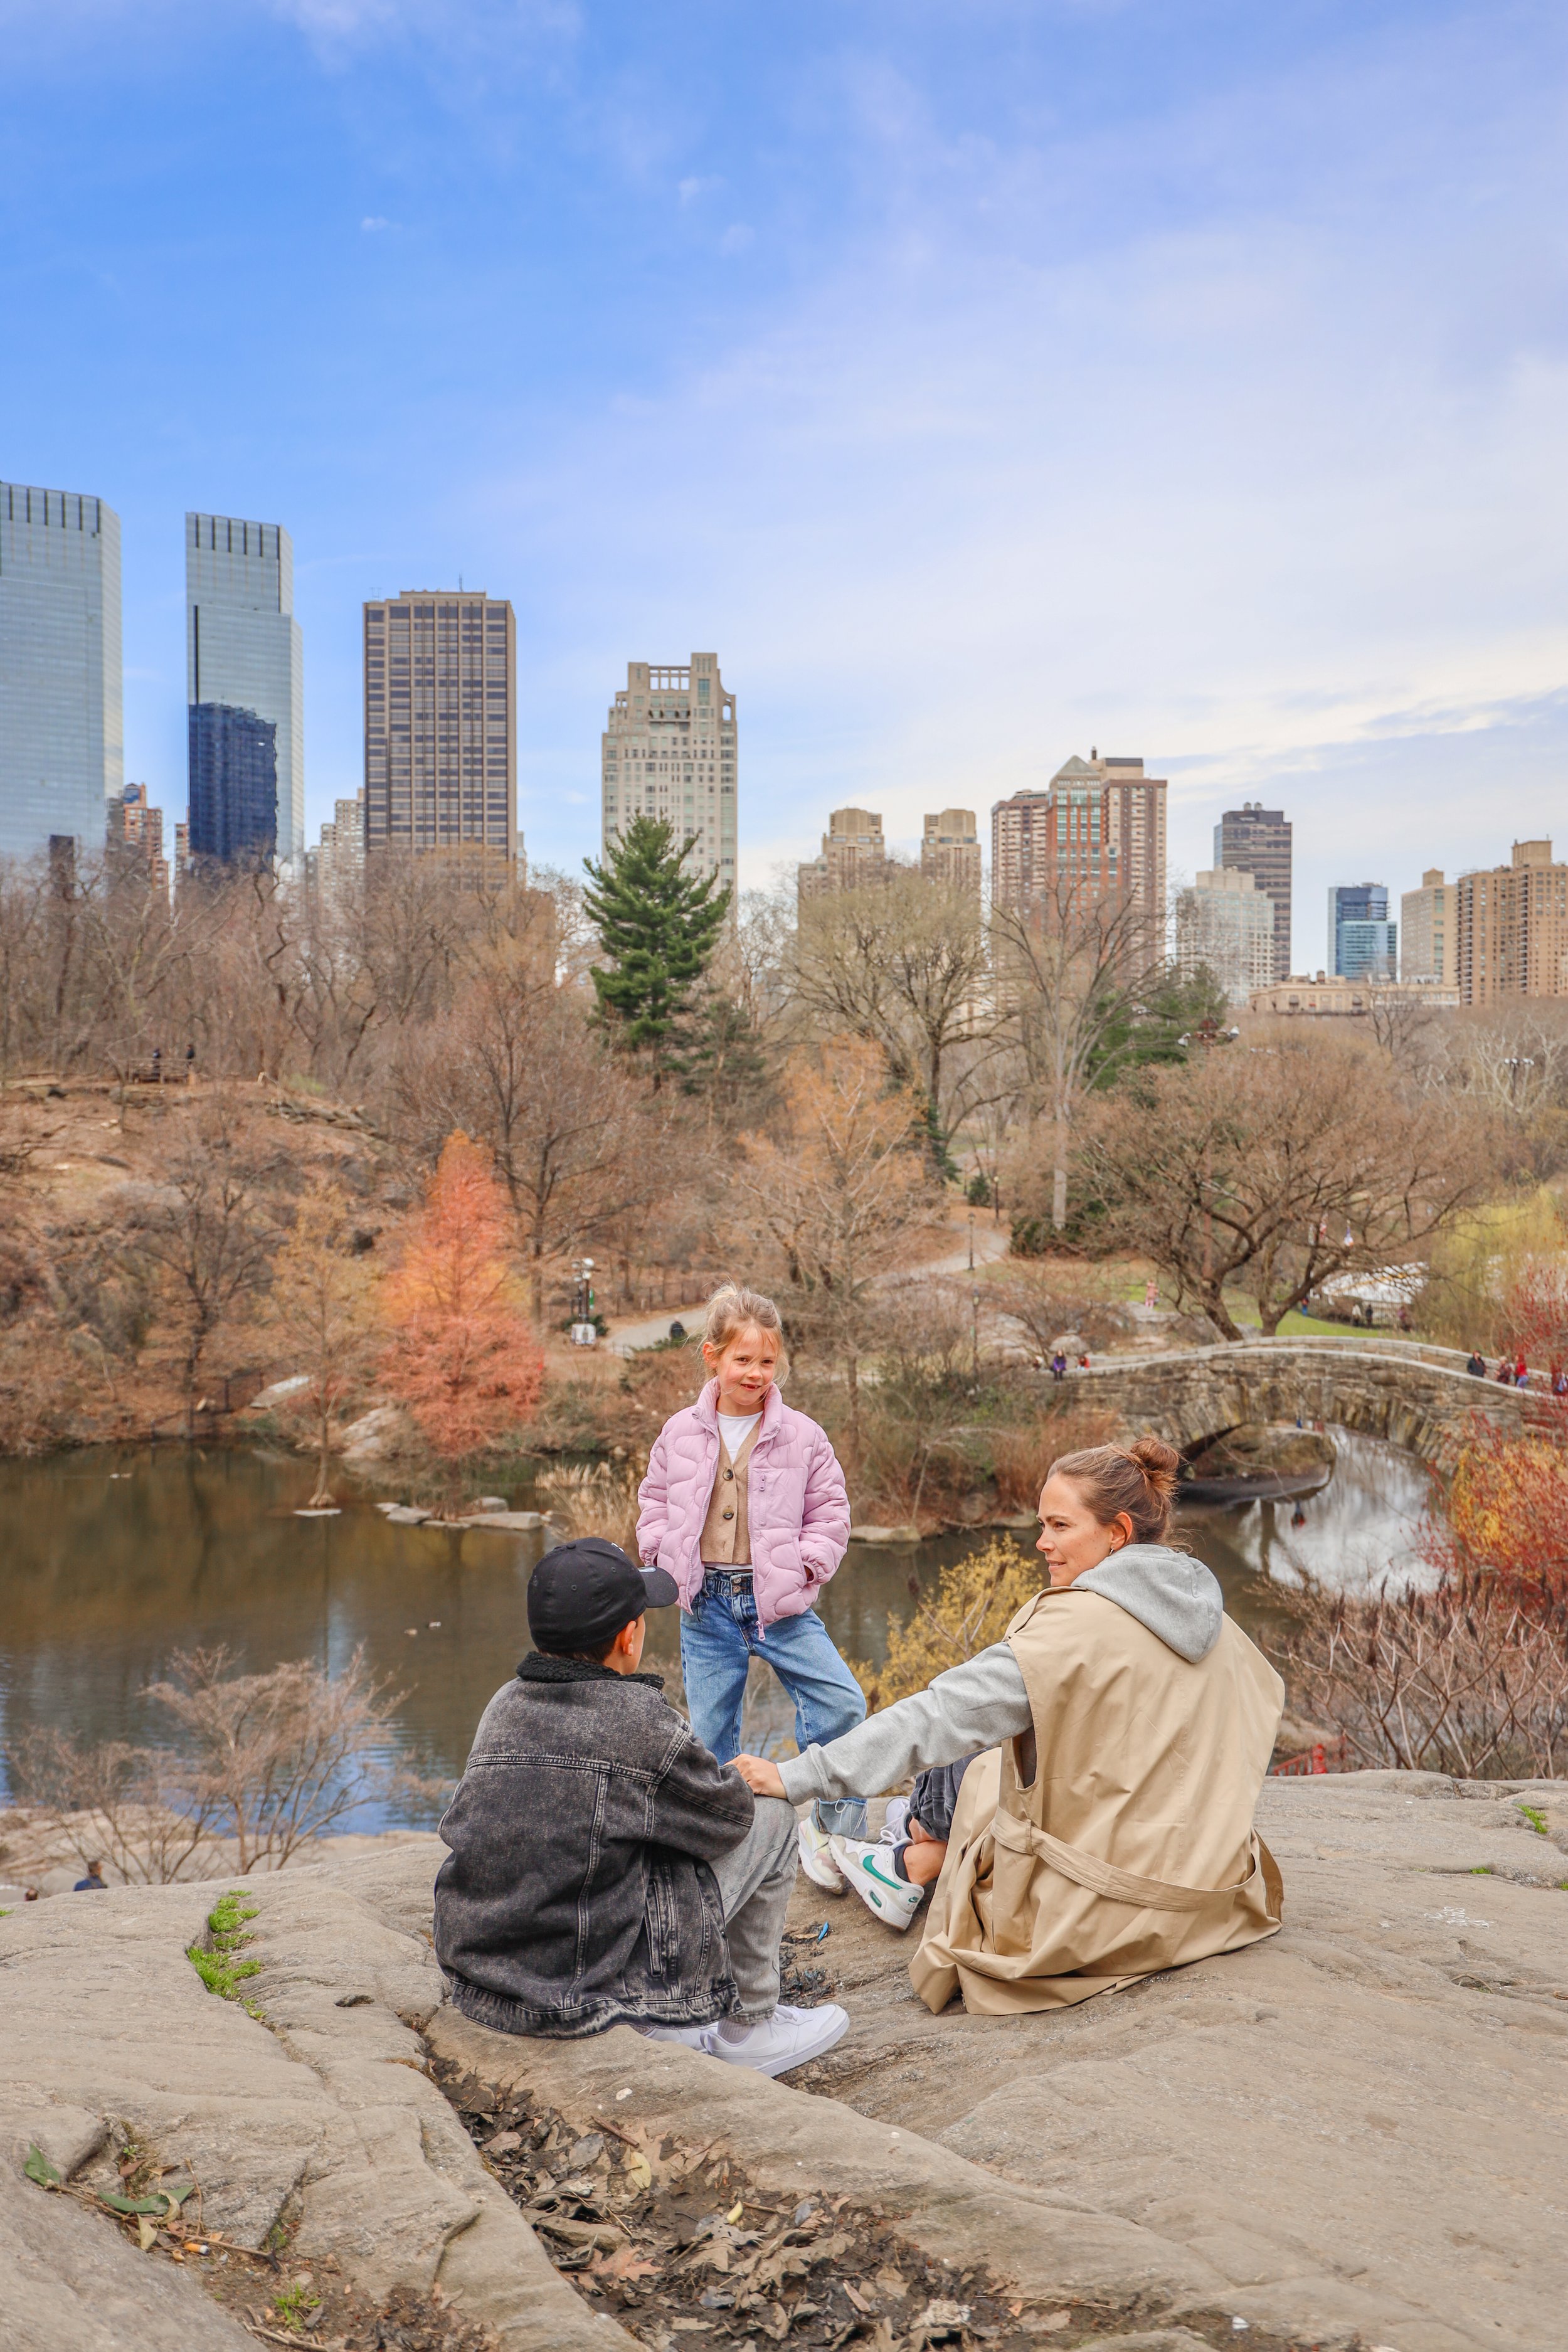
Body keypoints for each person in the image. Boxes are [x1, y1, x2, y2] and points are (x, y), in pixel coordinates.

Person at [734, 1438, 1285, 2013]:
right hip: (1212, 1892)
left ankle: (913, 1855)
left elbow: (936, 1717)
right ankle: (919, 1840)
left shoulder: (1069, 1629)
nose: (1042, 1542)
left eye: (1059, 1525)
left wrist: (797, 1776)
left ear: (1118, 1532)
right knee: (1011, 1727)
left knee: (980, 1740)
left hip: (1106, 1908)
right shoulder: (1218, 1625)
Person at [433, 1536, 849, 2076]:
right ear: (629, 1637)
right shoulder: (638, 1720)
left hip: (483, 1978)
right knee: (769, 1815)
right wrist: (735, 1778)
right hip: (589, 1987)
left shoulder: (504, 1704)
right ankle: (749, 2027)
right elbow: (726, 1821)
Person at [637, 1282, 864, 1895]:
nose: (756, 1373)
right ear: (712, 1356)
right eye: (743, 1360)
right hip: (706, 1605)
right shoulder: (681, 1431)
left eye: (767, 1361)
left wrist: (807, 1565)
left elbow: (832, 1513)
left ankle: (834, 1833)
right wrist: (658, 1558)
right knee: (710, 1739)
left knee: (843, 1705)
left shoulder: (803, 1436)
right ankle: (722, 1848)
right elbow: (654, 1501)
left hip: (778, 1606)